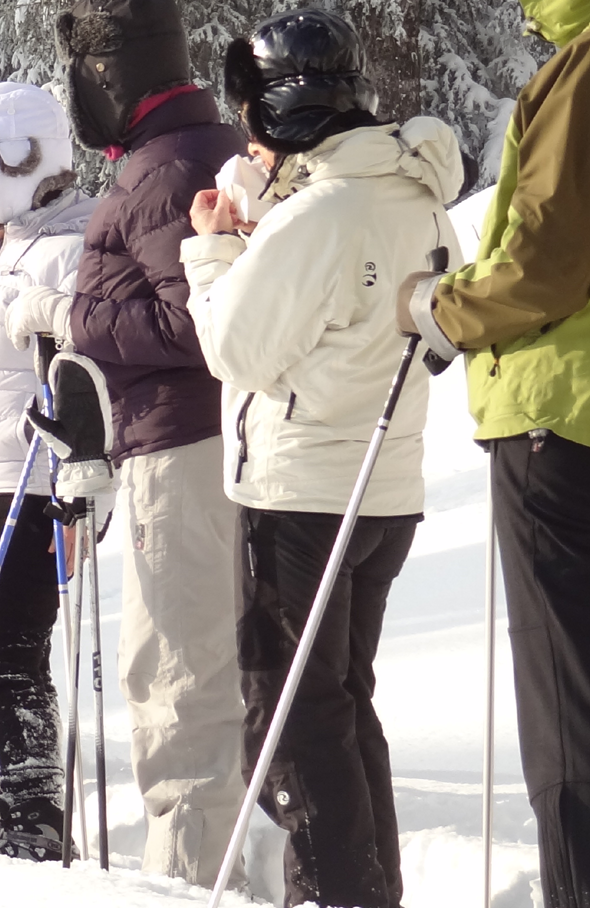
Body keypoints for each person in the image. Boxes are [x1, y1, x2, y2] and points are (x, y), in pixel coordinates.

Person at [183, 10, 462, 905]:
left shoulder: (322, 213)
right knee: (342, 703)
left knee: (296, 719)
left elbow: (236, 347)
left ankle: (339, 891)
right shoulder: (413, 192)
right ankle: (369, 889)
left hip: (302, 490)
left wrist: (217, 246)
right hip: (383, 488)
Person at [46, 0, 249, 886]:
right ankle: (231, 867)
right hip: (189, 443)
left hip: (185, 449)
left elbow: (190, 326)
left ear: (113, 73)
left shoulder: (168, 171)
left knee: (176, 674)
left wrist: (69, 315)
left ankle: (191, 879)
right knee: (192, 667)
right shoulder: (179, 157)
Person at [402, 1, 590, 902]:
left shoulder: (582, 69)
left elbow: (547, 257)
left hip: (563, 413)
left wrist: (446, 309)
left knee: (568, 698)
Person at [0, 82, 99, 861]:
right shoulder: (15, 249)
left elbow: (82, 366)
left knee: (8, 647)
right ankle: (23, 802)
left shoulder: (72, 247)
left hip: (33, 479)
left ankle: (36, 813)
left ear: (17, 162)